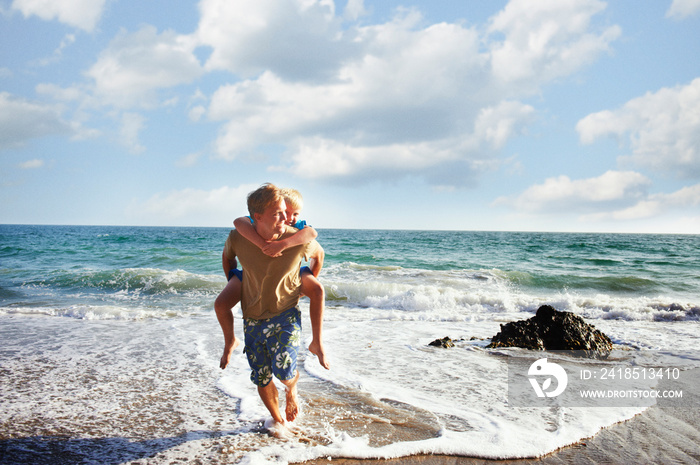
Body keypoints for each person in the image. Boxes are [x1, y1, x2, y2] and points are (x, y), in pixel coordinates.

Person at [214, 183, 324, 432]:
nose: (285, 218)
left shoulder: (295, 238)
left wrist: (303, 282)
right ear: (257, 217)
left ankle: (291, 389)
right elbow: (228, 254)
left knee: (284, 373)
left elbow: (318, 253)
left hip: (285, 314)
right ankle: (279, 422)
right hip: (252, 318)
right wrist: (233, 278)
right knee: (262, 378)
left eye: (286, 212)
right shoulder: (239, 237)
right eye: (278, 214)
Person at [232, 188, 328, 370]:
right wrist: (261, 244)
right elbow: (238, 222)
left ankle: (317, 342)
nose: (289, 218)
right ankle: (230, 340)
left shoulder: (298, 228)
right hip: (264, 275)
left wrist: (283, 244)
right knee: (222, 303)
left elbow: (313, 237)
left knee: (317, 290)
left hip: (294, 271)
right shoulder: (255, 224)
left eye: (294, 214)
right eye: (284, 212)